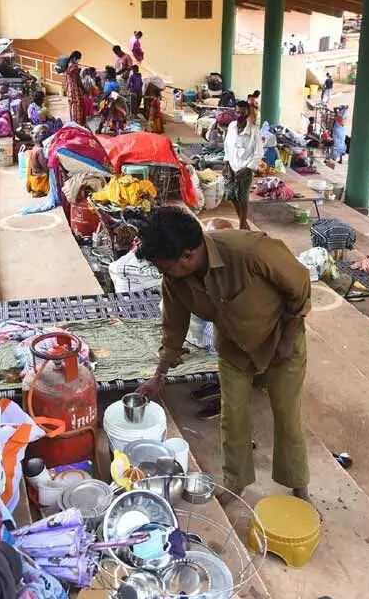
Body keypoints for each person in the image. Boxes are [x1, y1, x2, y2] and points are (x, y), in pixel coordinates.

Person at [134, 207, 312, 504]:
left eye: (164, 267)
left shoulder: (249, 250)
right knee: (233, 418)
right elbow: (173, 328)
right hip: (233, 350)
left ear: (188, 254)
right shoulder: (175, 280)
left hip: (281, 344)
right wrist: (158, 376)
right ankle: (236, 483)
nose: (162, 274)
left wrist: (289, 338)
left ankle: (299, 489)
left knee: (287, 417)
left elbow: (300, 285)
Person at [223, 101, 263, 230]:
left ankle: (241, 226)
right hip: (231, 167)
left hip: (245, 169)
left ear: (248, 113)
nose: (240, 115)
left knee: (243, 197)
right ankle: (243, 222)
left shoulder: (254, 130)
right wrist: (226, 163)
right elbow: (227, 146)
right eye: (238, 112)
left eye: (243, 112)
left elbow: (258, 153)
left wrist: (248, 168)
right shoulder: (231, 126)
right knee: (231, 195)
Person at [26, 125, 50, 198]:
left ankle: (37, 189)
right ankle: (41, 190)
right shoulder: (40, 150)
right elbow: (46, 167)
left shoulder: (35, 148)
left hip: (35, 175)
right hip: (39, 177)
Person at [64, 50, 86, 126]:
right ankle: (78, 125)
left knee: (72, 107)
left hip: (69, 90)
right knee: (78, 107)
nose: (78, 60)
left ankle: (73, 124)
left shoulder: (67, 65)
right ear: (75, 58)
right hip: (75, 91)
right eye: (78, 59)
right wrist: (84, 90)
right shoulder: (74, 67)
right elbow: (78, 81)